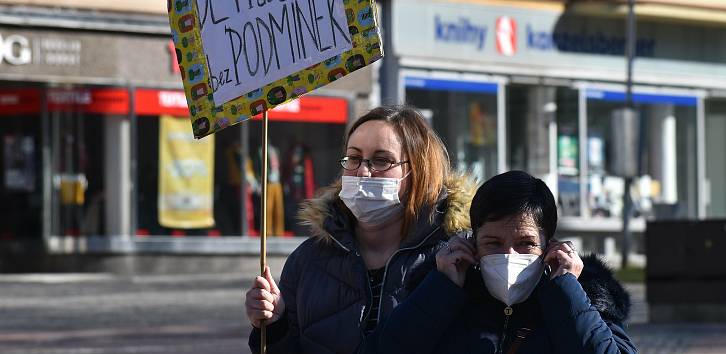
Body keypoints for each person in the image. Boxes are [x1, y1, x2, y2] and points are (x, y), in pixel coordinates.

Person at [244, 105, 475, 354]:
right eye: (354, 158)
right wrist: (274, 326)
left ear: (417, 171)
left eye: (381, 160)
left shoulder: (455, 260)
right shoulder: (307, 260)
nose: (363, 171)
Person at [358, 170, 638, 354]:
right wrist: (441, 290)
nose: (510, 256)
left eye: (526, 243)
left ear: (549, 245)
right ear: (473, 243)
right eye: (493, 243)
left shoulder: (585, 296)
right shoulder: (442, 294)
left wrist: (568, 291)